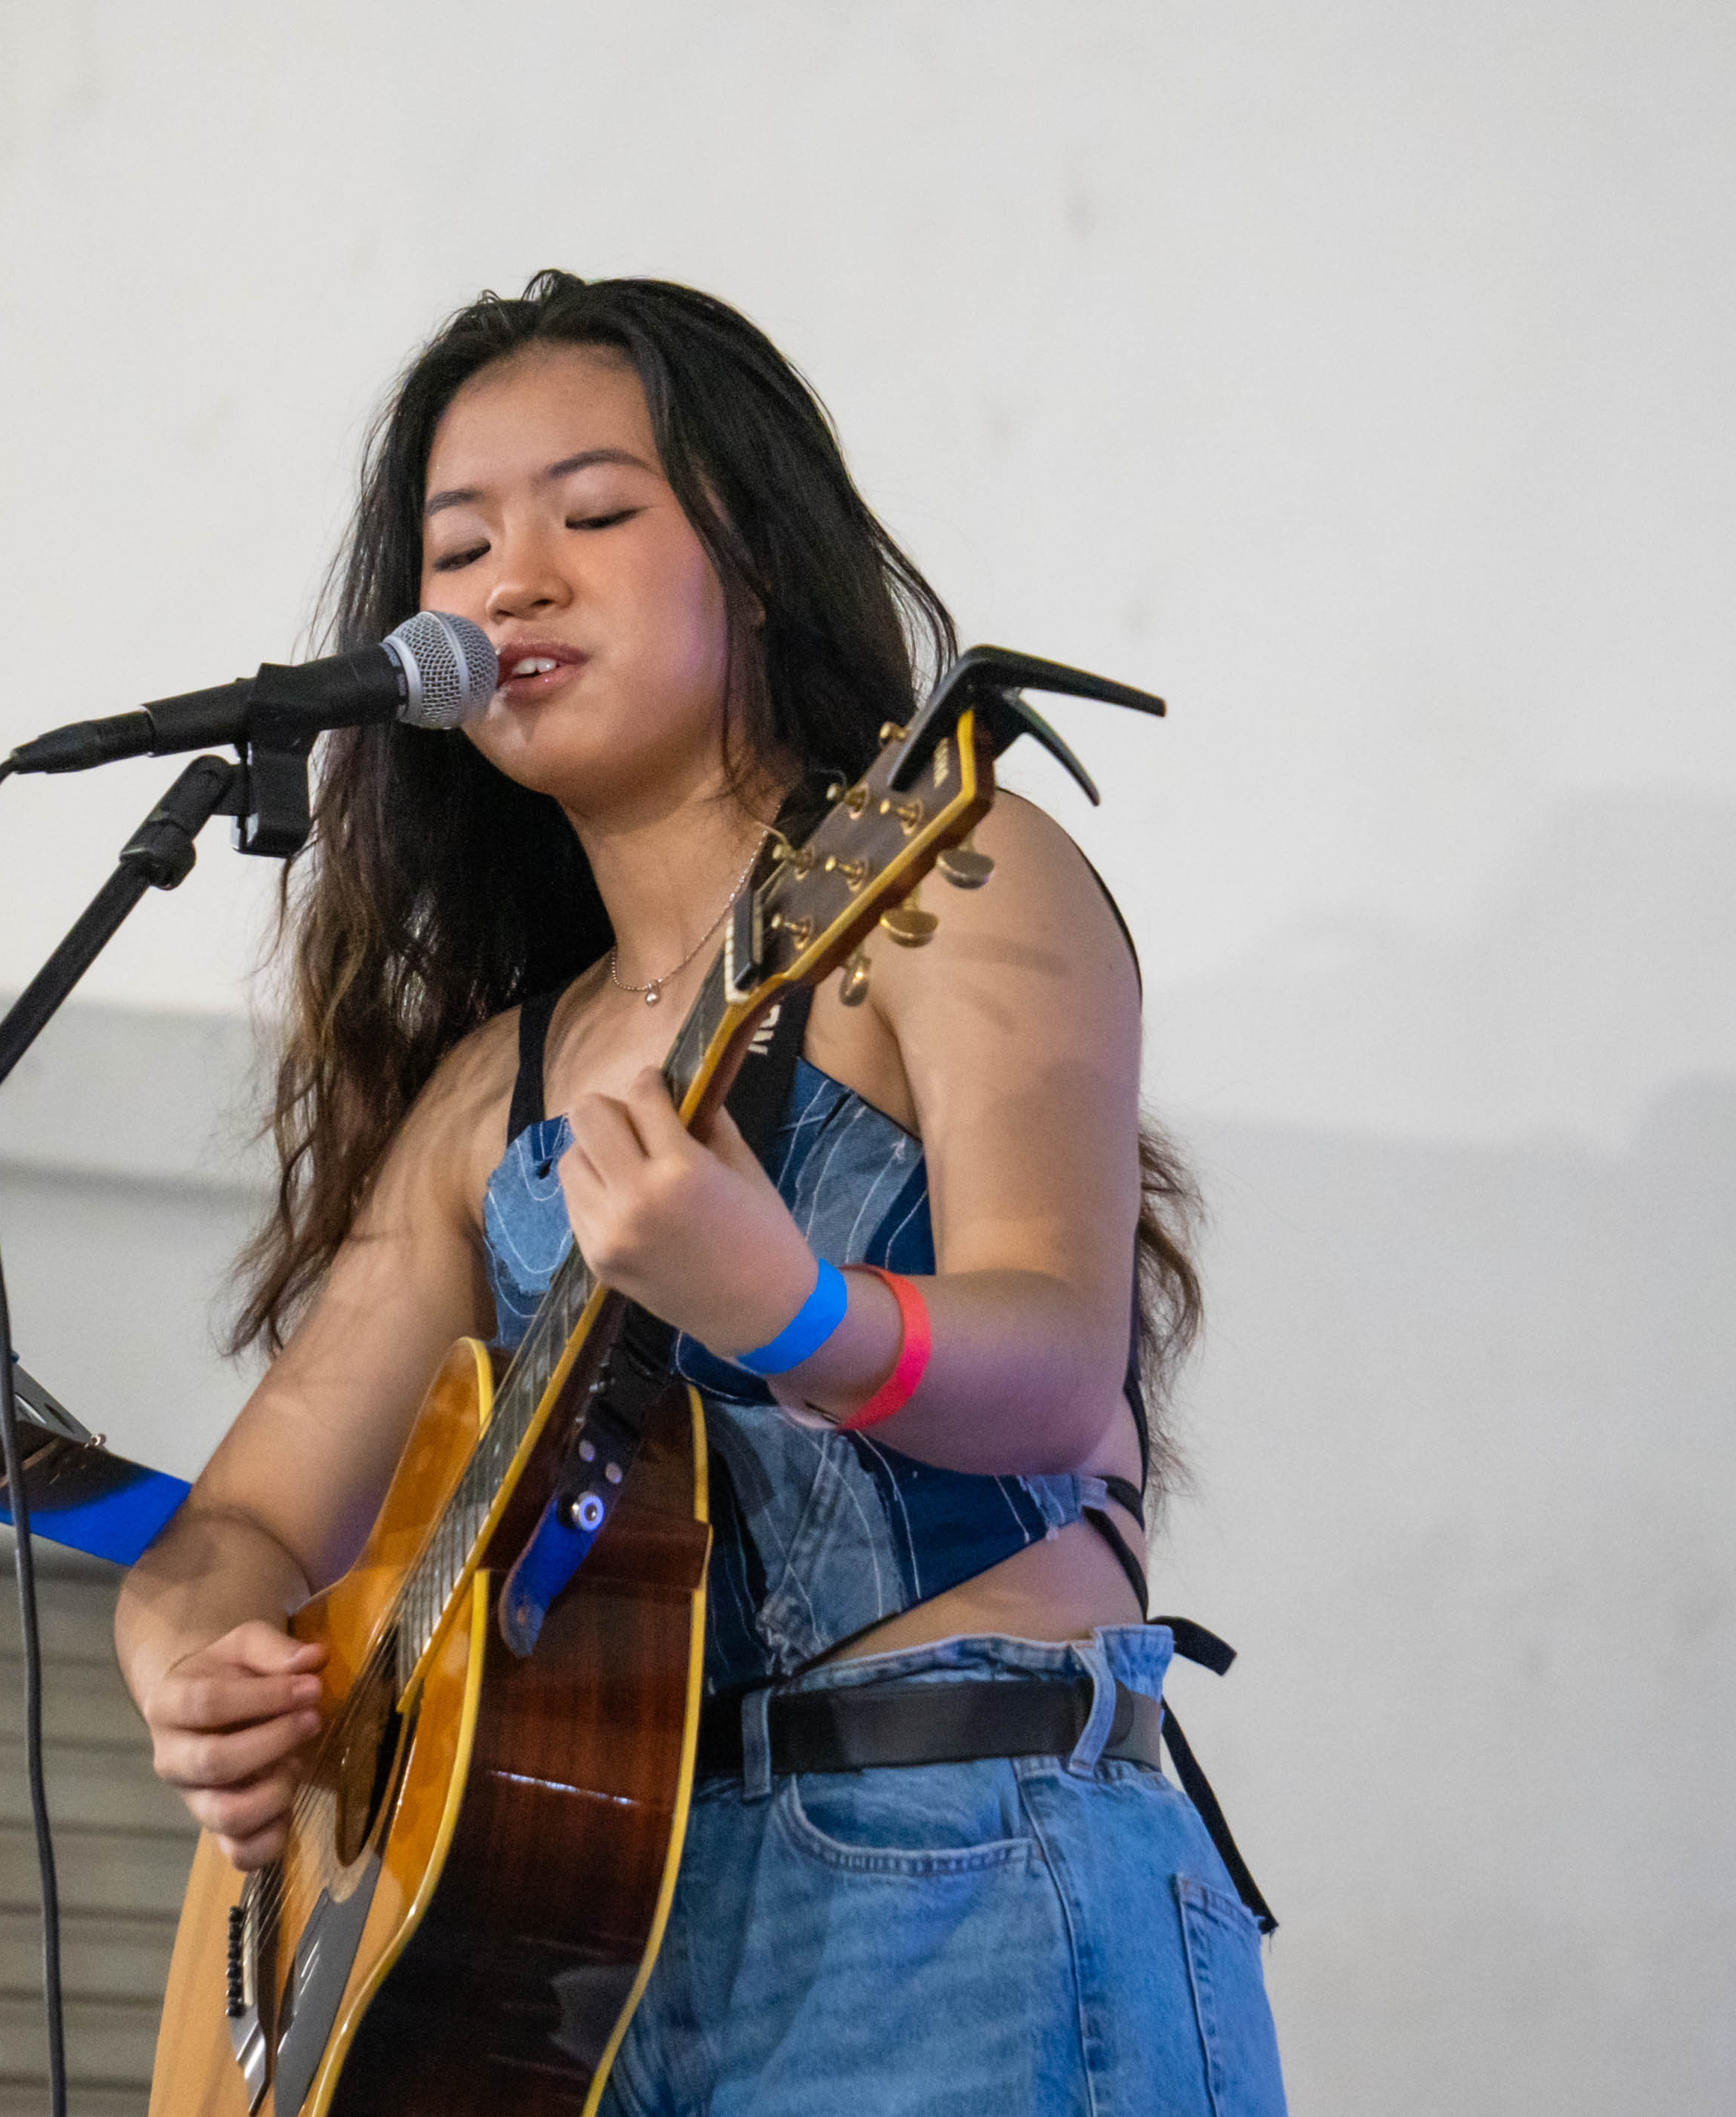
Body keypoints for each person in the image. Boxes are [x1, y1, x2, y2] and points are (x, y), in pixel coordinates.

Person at [111, 271, 1285, 2116]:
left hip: (952, 1867)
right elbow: (240, 1527)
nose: (513, 581)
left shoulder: (947, 876)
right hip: (599, 1942)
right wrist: (194, 1659)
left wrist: (786, 1302)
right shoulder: (485, 1095)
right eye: (459, 543)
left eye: (594, 514)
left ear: (750, 561)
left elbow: (1058, 1367)